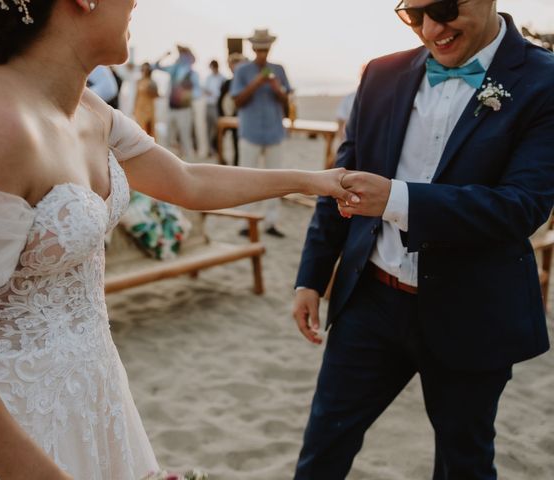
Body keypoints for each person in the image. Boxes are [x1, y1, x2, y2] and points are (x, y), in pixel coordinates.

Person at [0, 0, 351, 478]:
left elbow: (188, 181)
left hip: (95, 396)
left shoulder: (87, 108)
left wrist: (313, 181)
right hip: (8, 428)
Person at [293, 1, 554, 479]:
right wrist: (310, 276)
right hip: (370, 301)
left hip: (473, 311)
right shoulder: (380, 74)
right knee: (322, 450)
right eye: (413, 15)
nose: (431, 29)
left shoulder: (545, 80)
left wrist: (396, 199)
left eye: (444, 8)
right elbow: (339, 183)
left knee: (464, 464)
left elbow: (522, 207)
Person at [231, 29, 292, 238]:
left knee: (276, 180)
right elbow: (237, 101)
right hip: (250, 132)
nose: (262, 52)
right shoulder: (242, 70)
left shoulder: (279, 69)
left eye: (265, 49)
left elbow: (286, 101)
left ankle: (271, 222)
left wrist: (278, 89)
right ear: (254, 48)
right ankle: (246, 221)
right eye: (259, 48)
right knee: (247, 178)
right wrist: (256, 83)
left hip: (274, 131)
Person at [153, 45, 201, 160]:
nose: (180, 56)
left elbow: (197, 93)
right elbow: (155, 66)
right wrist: (165, 56)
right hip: (171, 108)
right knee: (168, 137)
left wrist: (185, 95)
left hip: (184, 109)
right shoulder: (174, 69)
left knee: (185, 137)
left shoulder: (192, 73)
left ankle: (190, 161)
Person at [218, 52, 247, 166]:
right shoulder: (227, 83)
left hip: (242, 119)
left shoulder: (246, 82)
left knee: (241, 146)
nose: (231, 68)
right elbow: (221, 101)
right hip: (229, 118)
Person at [203, 59, 225, 156]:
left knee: (218, 128)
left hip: (217, 106)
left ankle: (218, 148)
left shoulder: (222, 78)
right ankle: (210, 149)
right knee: (208, 128)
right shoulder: (208, 78)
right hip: (209, 105)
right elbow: (205, 90)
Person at [133, 62, 158, 138]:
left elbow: (155, 95)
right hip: (139, 109)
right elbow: (136, 95)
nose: (144, 71)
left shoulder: (152, 82)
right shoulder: (138, 81)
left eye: (146, 69)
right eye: (143, 69)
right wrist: (134, 108)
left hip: (149, 108)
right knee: (139, 130)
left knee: (149, 130)